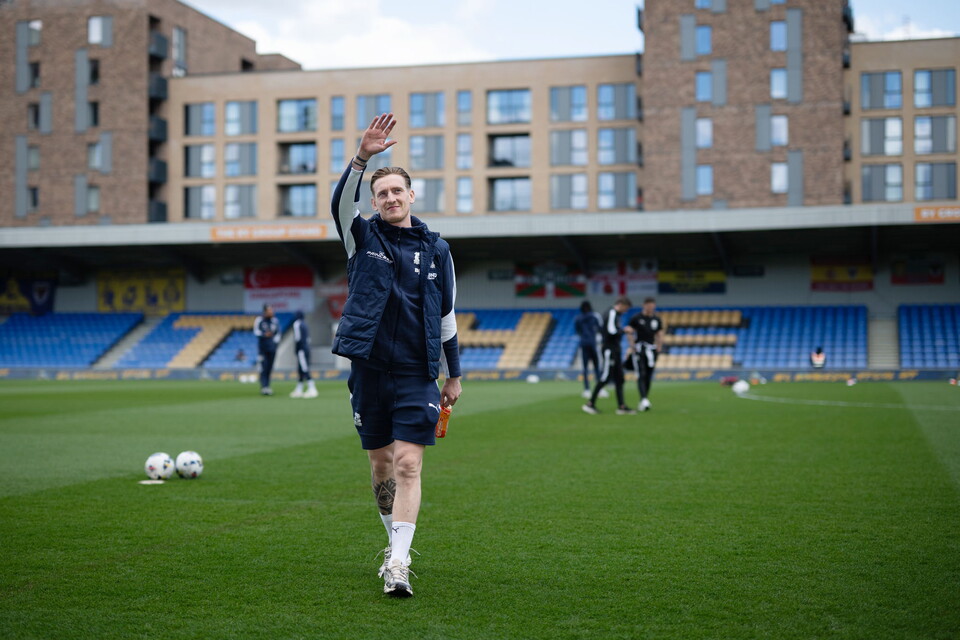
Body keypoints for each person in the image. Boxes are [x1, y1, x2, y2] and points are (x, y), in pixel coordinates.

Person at [331, 113, 462, 598]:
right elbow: (339, 204)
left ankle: (400, 562)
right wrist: (362, 157)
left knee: (408, 464)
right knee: (381, 465)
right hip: (368, 369)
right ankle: (393, 545)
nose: (390, 198)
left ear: (411, 196)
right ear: (374, 202)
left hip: (416, 371)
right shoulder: (361, 238)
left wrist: (453, 374)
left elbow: (446, 314)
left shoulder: (438, 250)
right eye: (381, 193)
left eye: (396, 191)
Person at [582, 296, 635, 415]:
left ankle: (621, 406)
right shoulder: (612, 313)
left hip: (615, 350)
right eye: (626, 308)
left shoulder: (616, 315)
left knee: (619, 378)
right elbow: (611, 331)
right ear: (621, 304)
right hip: (609, 350)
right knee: (605, 376)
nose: (626, 311)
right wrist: (624, 330)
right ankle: (590, 404)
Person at [626, 297, 665, 412]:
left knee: (648, 375)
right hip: (639, 349)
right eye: (649, 305)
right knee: (641, 373)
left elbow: (659, 333)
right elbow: (629, 332)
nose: (650, 308)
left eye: (652, 305)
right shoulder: (636, 318)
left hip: (651, 350)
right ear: (644, 305)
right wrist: (632, 345)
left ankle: (644, 398)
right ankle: (643, 399)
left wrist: (659, 346)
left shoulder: (656, 319)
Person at [573, 301, 608, 400]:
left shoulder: (578, 318)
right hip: (593, 344)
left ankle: (587, 390)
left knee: (585, 368)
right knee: (597, 367)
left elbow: (577, 331)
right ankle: (599, 389)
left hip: (583, 344)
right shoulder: (595, 316)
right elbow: (601, 328)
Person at [253, 304, 280, 396]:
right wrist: (264, 335)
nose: (271, 312)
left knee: (269, 368)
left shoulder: (275, 321)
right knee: (263, 367)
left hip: (272, 349)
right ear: (265, 312)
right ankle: (264, 387)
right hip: (263, 349)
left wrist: (274, 344)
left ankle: (268, 386)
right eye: (269, 311)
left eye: (272, 310)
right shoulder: (259, 320)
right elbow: (256, 332)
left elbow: (278, 334)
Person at [290, 311, 318, 398]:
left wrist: (296, 349)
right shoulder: (304, 324)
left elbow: (297, 338)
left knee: (304, 368)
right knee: (300, 369)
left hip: (301, 349)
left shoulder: (297, 324)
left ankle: (312, 388)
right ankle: (299, 389)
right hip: (306, 348)